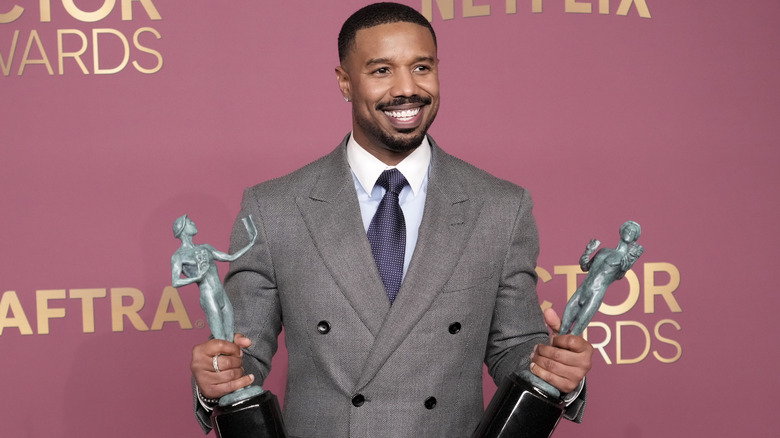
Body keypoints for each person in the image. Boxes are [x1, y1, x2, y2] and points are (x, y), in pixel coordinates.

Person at [190, 3, 593, 437]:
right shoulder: (274, 208)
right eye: (381, 71)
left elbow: (513, 347)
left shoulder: (500, 206)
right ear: (345, 81)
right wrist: (217, 376)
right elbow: (243, 353)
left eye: (421, 67)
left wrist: (553, 368)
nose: (407, 88)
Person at [559, 220, 644, 336]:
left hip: (594, 295)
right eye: (627, 229)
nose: (629, 232)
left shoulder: (625, 259)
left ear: (635, 237)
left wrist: (625, 267)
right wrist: (587, 252)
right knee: (562, 330)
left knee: (574, 334)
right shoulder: (604, 250)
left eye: (633, 232)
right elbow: (585, 267)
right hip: (580, 291)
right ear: (621, 231)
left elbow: (619, 276)